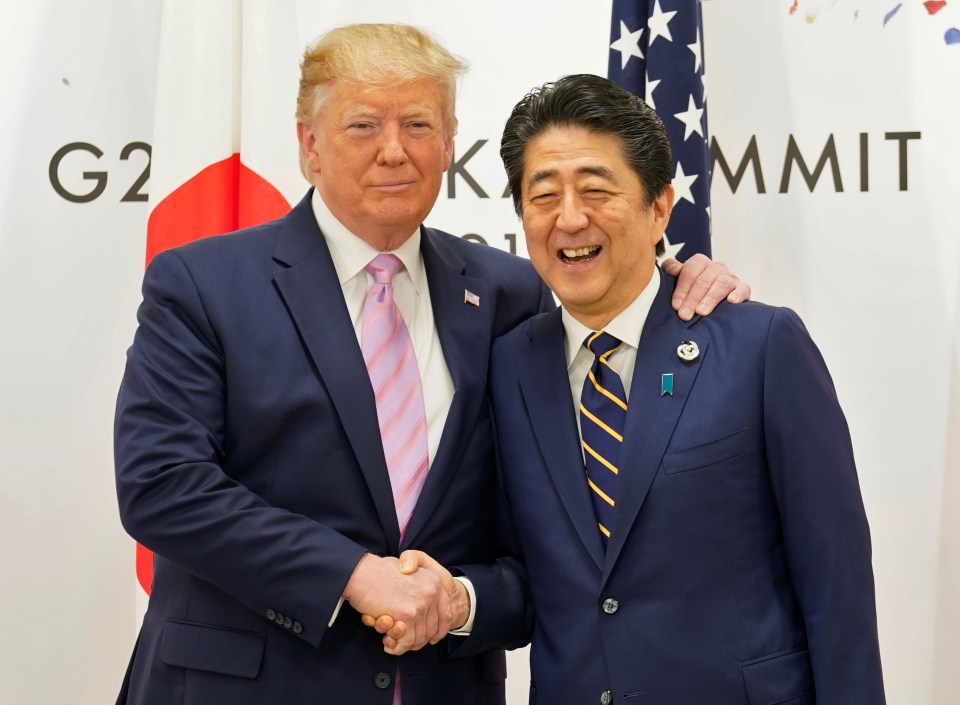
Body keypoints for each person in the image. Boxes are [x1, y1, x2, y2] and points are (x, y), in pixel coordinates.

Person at [113, 24, 748, 705]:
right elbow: (161, 484)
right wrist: (353, 573)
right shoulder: (203, 284)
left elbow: (552, 533)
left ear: (449, 145)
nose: (394, 150)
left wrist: (678, 280)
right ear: (309, 146)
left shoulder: (515, 295)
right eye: (363, 125)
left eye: (418, 123)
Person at [440, 73, 884, 704]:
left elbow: (835, 582)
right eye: (544, 195)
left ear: (659, 208)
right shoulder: (506, 368)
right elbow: (529, 576)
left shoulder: (761, 347)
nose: (570, 218)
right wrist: (457, 600)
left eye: (596, 189)